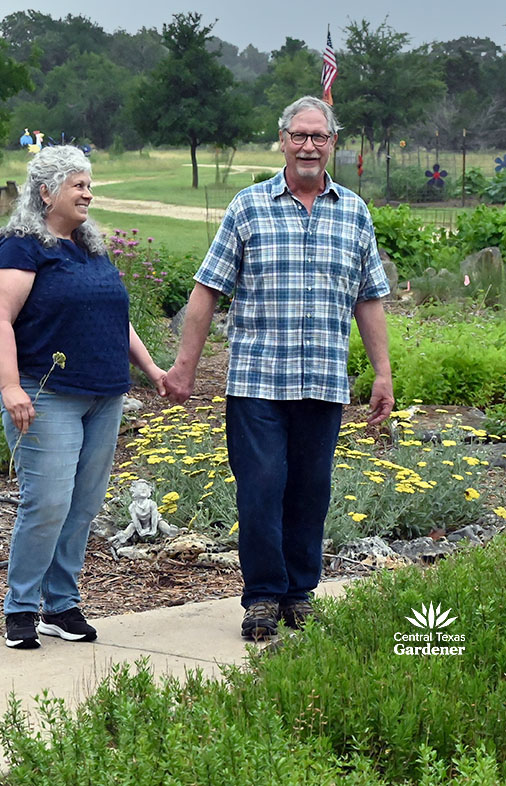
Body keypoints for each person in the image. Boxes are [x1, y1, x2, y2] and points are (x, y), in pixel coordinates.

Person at [163, 96, 394, 641]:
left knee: (311, 490)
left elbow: (370, 299)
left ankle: (299, 593)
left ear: (333, 143)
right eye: (299, 136)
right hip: (257, 383)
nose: (309, 146)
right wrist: (184, 369)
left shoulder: (354, 211)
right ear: (283, 140)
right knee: (262, 488)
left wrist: (381, 373)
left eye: (320, 136)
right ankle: (263, 596)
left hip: (323, 381)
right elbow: (206, 290)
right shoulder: (248, 207)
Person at [0, 145, 167, 649]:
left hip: (104, 395)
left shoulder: (89, 246)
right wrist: (11, 387)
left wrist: (151, 369)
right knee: (47, 503)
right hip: (48, 395)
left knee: (83, 506)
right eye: (78, 184)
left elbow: (114, 318)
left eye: (89, 183)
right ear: (46, 192)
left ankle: (60, 605)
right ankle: (21, 608)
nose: (88, 192)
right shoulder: (21, 247)